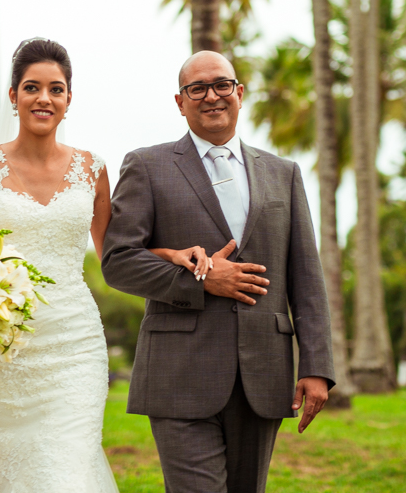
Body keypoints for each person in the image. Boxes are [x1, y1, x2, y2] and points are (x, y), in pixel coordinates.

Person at [101, 50, 335, 493]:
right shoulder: (147, 166)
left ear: (239, 93)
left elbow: (307, 276)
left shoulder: (284, 173)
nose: (211, 96)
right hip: (179, 374)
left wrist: (317, 364)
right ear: (180, 101)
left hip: (263, 374)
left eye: (221, 85)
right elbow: (118, 262)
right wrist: (206, 281)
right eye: (197, 89)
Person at [0, 38, 118, 492]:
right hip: (0, 346)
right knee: (7, 466)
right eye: (32, 87)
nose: (44, 98)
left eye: (56, 89)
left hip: (75, 344)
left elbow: (116, 253)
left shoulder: (92, 169)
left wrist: (176, 256)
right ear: (13, 96)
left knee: (69, 466)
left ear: (69, 99)